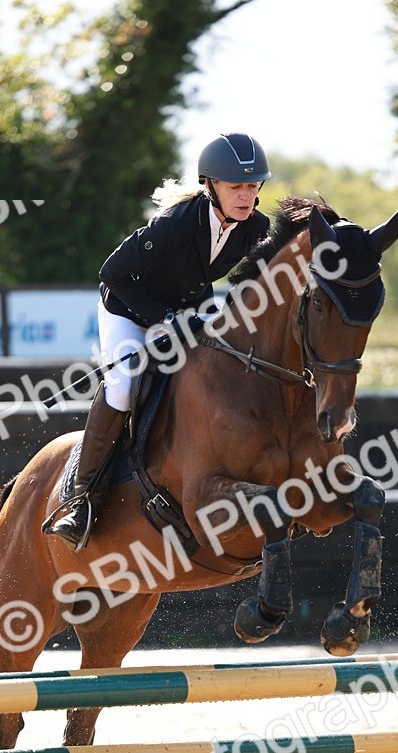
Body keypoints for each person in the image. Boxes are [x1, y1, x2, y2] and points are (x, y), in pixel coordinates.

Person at [44, 131, 272, 550]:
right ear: (211, 186)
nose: (246, 196)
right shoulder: (177, 223)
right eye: (236, 186)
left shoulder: (256, 227)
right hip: (129, 309)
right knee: (125, 384)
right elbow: (113, 272)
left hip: (188, 310)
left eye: (253, 186)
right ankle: (81, 497)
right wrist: (164, 320)